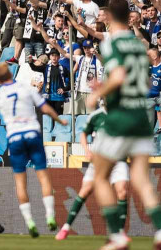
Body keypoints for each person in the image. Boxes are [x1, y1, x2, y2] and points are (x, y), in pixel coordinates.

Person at [86, 0, 161, 250]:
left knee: (100, 177)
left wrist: (97, 93)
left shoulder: (112, 42)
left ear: (109, 15)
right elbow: (145, 79)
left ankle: (116, 236)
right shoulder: (140, 46)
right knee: (140, 178)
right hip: (141, 113)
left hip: (121, 114)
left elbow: (119, 76)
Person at [0, 62, 66, 237]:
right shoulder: (26, 88)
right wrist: (60, 120)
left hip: (15, 138)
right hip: (33, 134)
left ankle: (29, 222)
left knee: (20, 182)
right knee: (43, 177)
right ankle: (50, 215)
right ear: (11, 74)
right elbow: (45, 108)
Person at [55, 102, 130, 241]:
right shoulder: (96, 116)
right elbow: (83, 134)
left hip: (118, 160)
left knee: (123, 191)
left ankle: (119, 232)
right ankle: (65, 228)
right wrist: (87, 150)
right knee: (85, 191)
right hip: (99, 161)